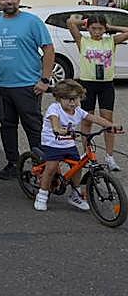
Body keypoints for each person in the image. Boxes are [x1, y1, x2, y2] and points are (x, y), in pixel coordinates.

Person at [0, 0, 53, 180]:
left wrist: (45, 79)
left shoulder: (32, 21)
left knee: (33, 126)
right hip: (1, 85)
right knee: (7, 126)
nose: (8, 1)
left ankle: (40, 165)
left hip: (27, 85)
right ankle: (13, 164)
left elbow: (48, 49)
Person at [68, 12, 128, 170]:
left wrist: (111, 27)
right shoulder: (83, 40)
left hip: (106, 85)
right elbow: (70, 22)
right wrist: (85, 22)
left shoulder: (111, 41)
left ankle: (109, 156)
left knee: (108, 121)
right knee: (87, 120)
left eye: (100, 29)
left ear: (104, 29)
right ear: (88, 28)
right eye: (93, 28)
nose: (97, 32)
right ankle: (86, 154)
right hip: (87, 84)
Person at [33, 79, 93, 212]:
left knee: (77, 166)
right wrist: (57, 129)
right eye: (68, 99)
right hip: (52, 143)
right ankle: (42, 195)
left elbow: (92, 118)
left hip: (68, 144)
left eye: (75, 98)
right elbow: (54, 120)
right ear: (59, 98)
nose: (72, 102)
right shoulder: (55, 108)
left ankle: (75, 194)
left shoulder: (78, 110)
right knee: (51, 168)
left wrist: (110, 125)